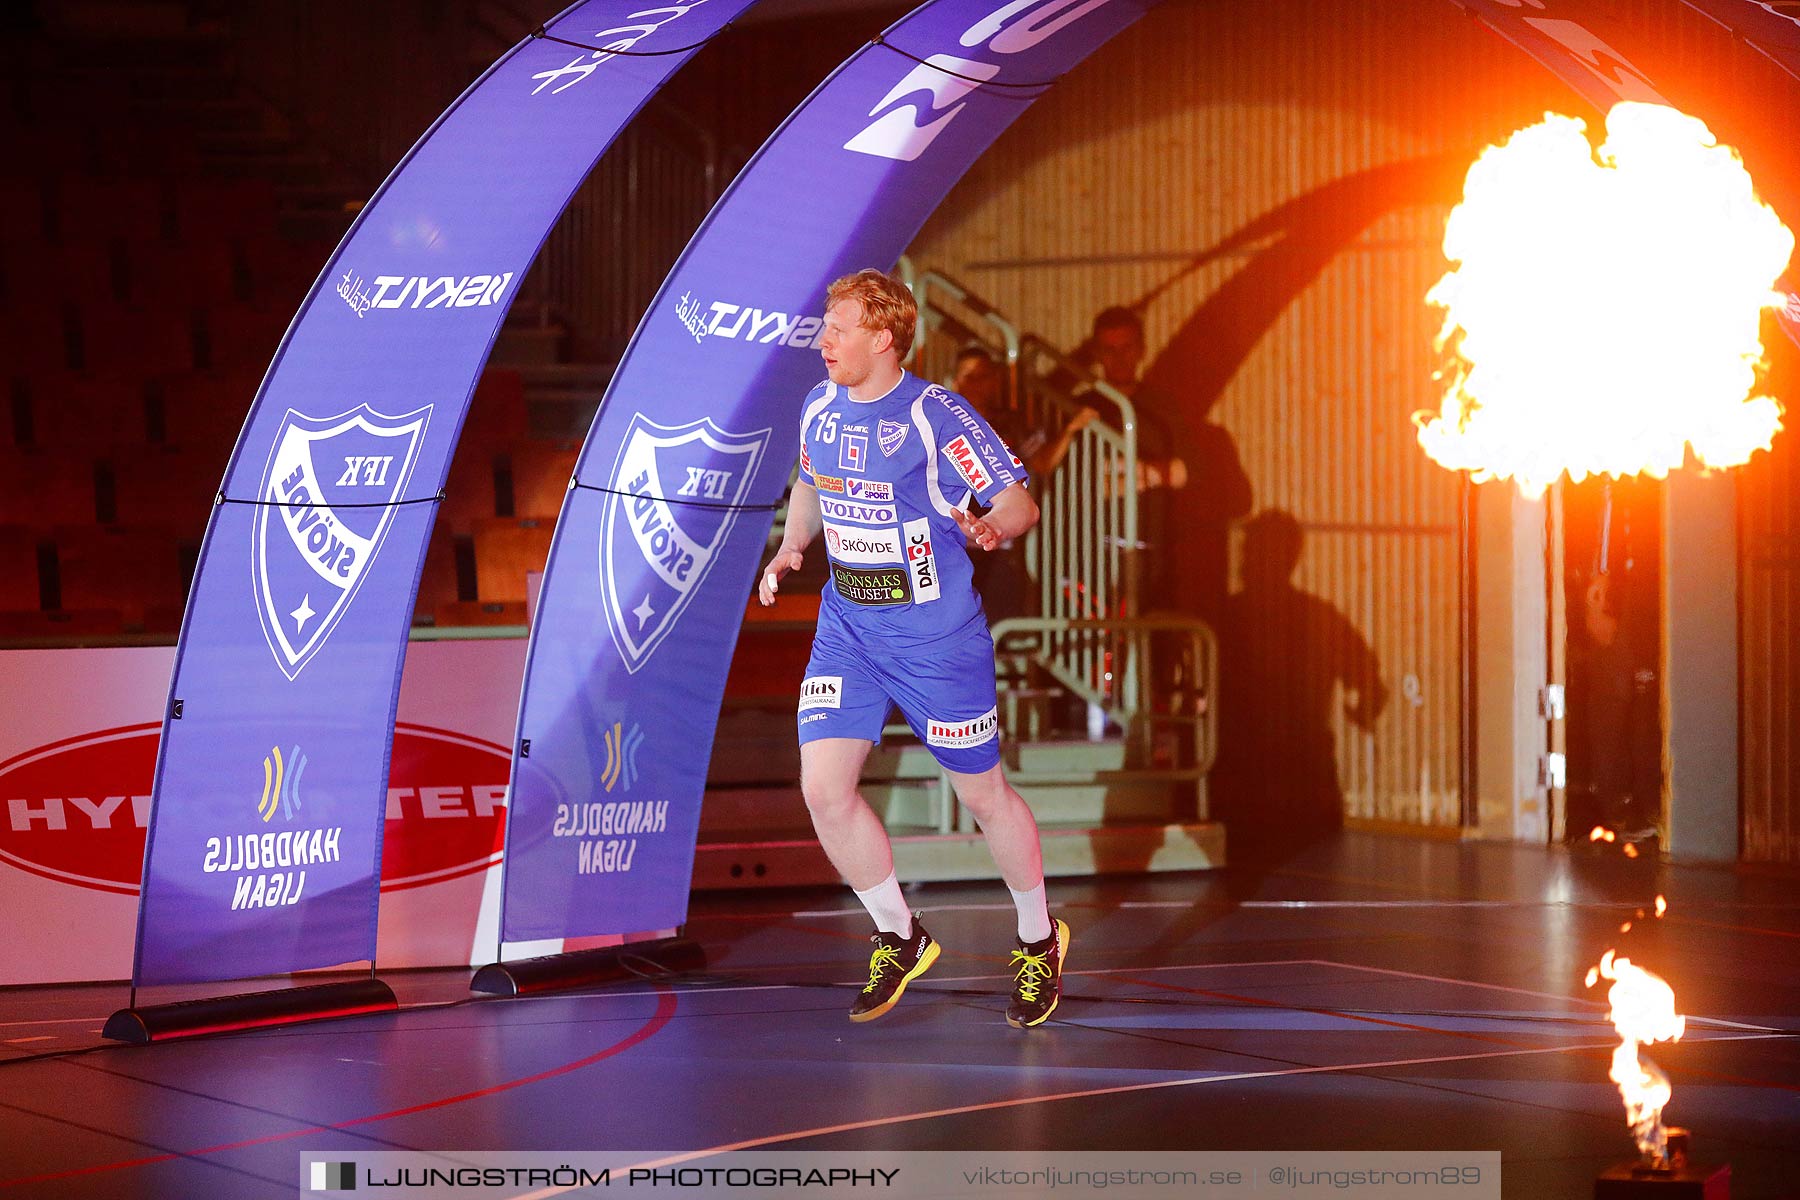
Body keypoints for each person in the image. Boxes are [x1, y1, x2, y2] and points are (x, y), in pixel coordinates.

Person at [759, 270, 1069, 1028]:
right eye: (825, 324)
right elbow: (811, 479)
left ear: (884, 338)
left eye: (839, 326)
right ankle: (900, 934)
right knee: (824, 791)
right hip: (849, 632)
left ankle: (1038, 939)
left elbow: (1018, 503)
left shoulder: (936, 416)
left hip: (936, 642)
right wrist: (794, 545)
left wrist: (996, 527)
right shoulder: (820, 404)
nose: (823, 338)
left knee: (982, 795)